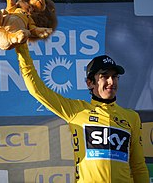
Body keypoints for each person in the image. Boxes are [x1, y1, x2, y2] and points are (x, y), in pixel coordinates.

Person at [15, 43, 149, 183]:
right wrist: (22, 49)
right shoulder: (76, 110)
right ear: (90, 83)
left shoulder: (131, 117)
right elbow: (37, 90)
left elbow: (138, 166)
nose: (111, 81)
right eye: (104, 76)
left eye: (115, 77)